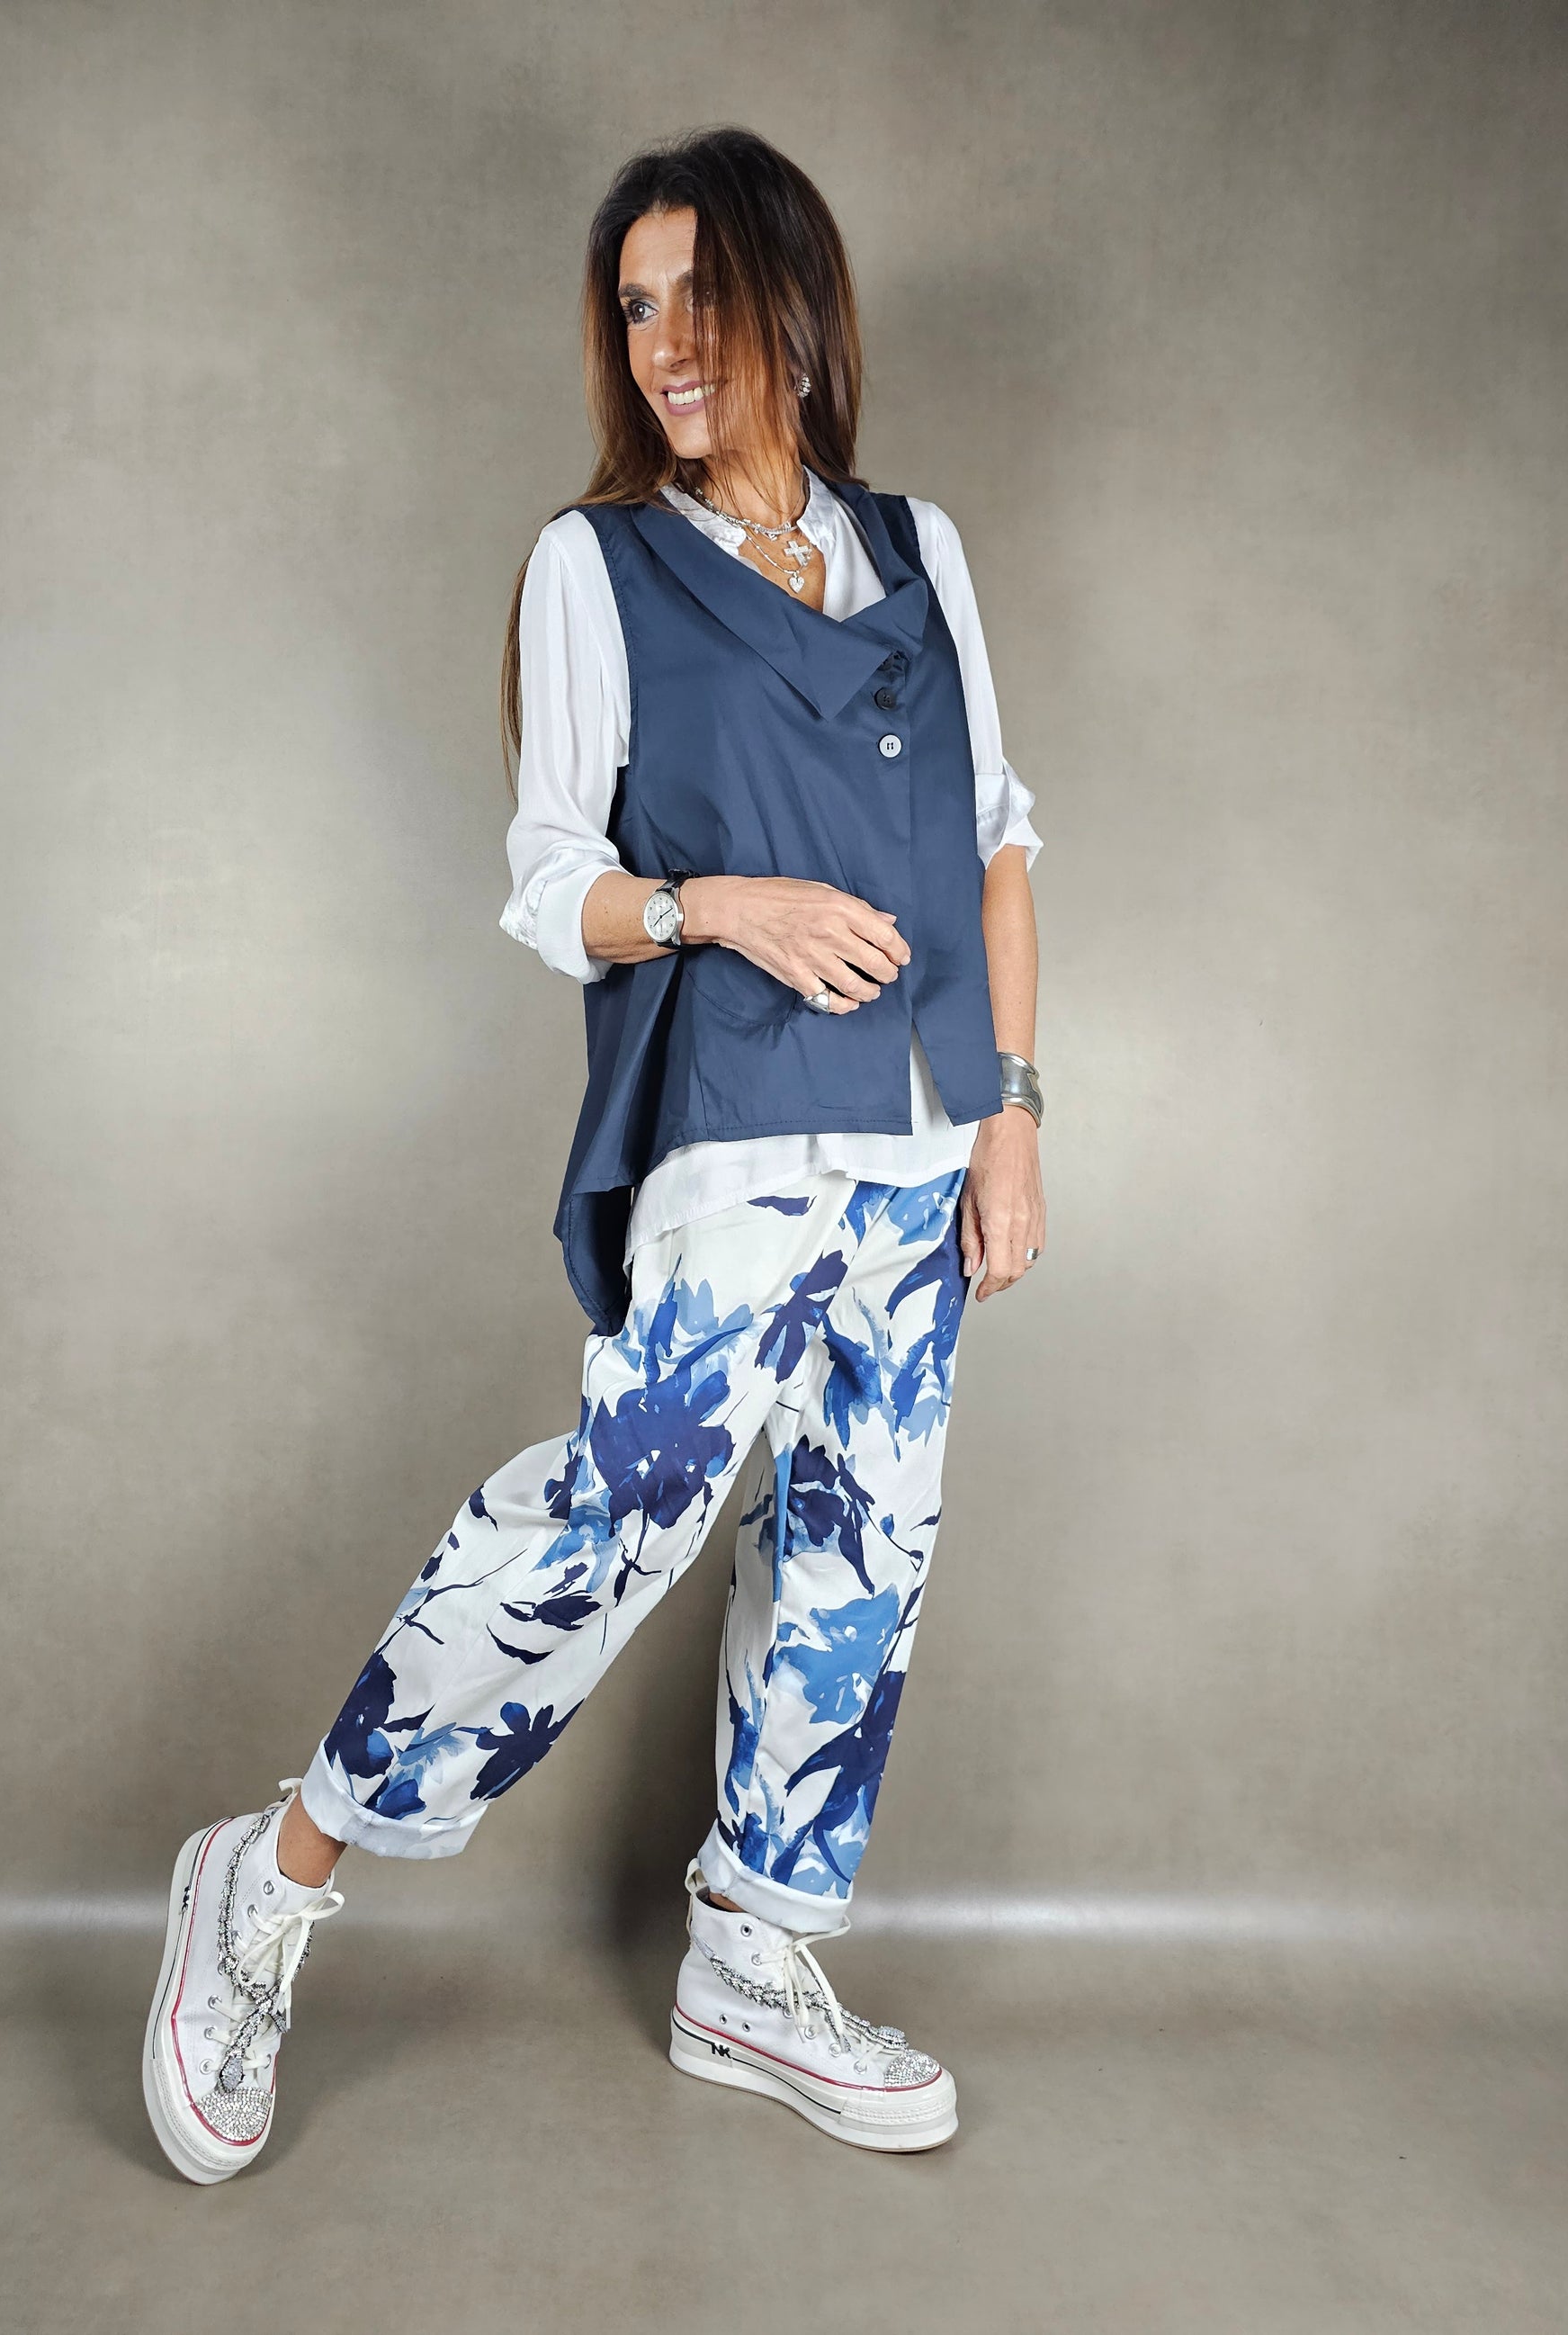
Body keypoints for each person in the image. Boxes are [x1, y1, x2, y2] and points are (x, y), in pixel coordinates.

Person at [142, 124, 1045, 2186]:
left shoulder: (919, 547)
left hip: (922, 1144)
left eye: (697, 294)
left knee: (861, 1554)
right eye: (633, 307)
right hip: (735, 1119)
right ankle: (273, 1868)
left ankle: (754, 1949)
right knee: (616, 1515)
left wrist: (1008, 1109)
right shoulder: (598, 564)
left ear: (792, 304)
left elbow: (997, 837)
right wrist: (719, 902)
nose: (663, 342)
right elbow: (554, 877)